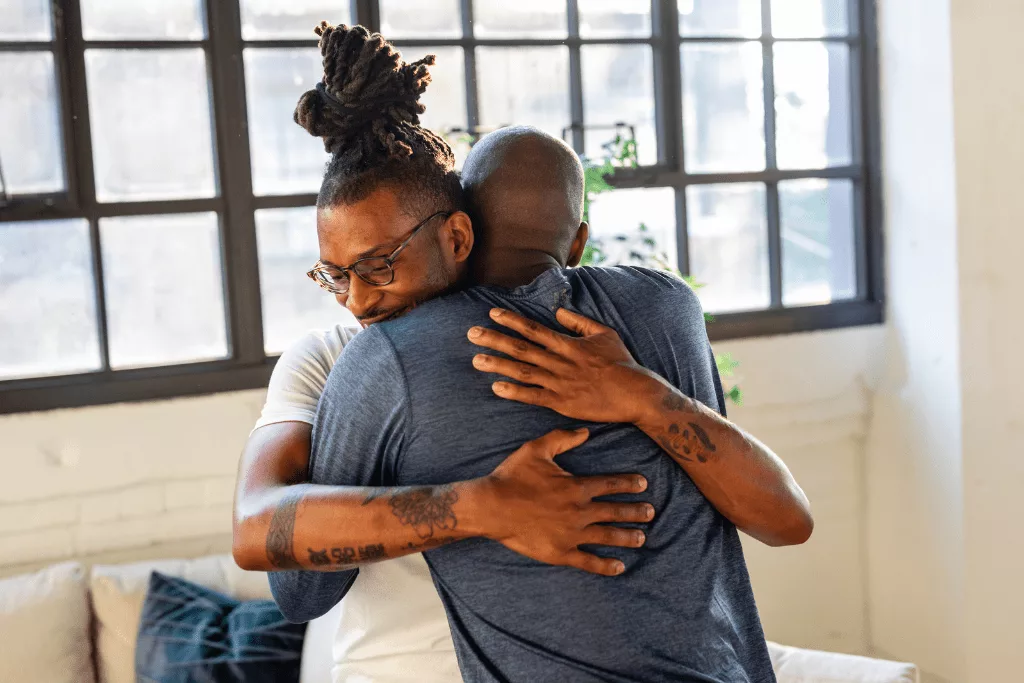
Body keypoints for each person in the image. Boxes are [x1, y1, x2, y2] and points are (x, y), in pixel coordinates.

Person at [237, 22, 811, 683]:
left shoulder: (395, 360)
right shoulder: (334, 359)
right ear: (575, 242)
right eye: (334, 274)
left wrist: (643, 397)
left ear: (461, 237)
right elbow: (271, 548)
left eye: (380, 265)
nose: (356, 300)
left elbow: (783, 516)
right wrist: (482, 505)